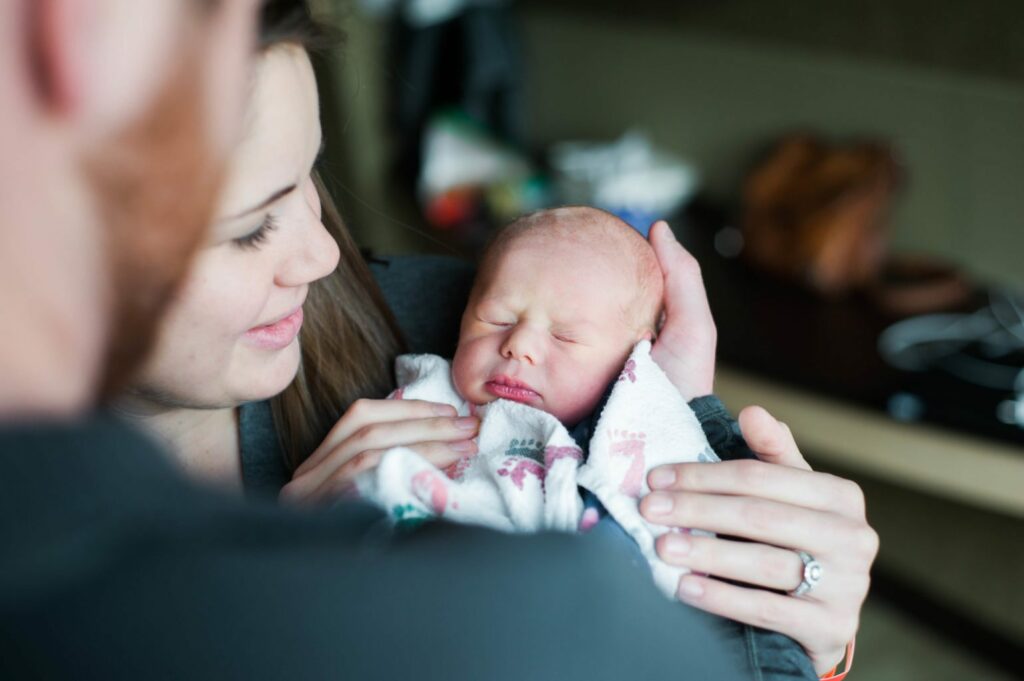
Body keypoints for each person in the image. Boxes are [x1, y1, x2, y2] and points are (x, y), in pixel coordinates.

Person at [112, 4, 874, 679]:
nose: (323, 255)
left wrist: (796, 624)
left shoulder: (450, 315)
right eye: (249, 226)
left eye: (309, 175)